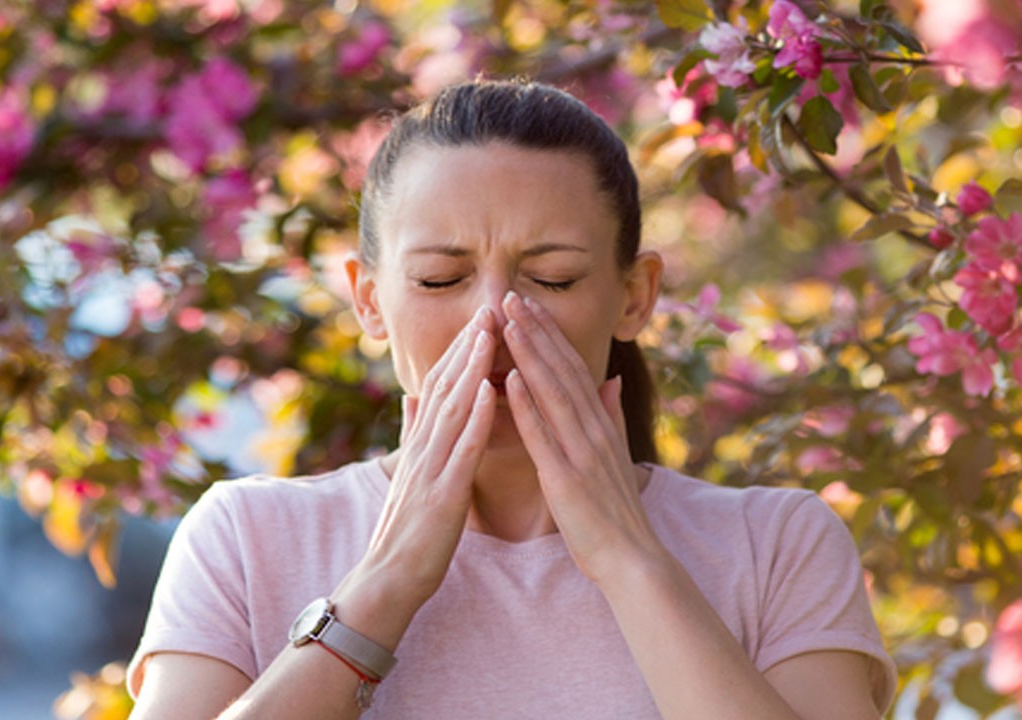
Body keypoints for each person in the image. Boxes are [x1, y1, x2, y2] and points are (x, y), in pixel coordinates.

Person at [127, 79, 896, 719]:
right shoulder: (248, 537)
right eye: (439, 280)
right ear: (367, 299)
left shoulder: (777, 545)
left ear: (634, 296)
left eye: (552, 279)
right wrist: (385, 583)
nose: (493, 317)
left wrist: (628, 559)